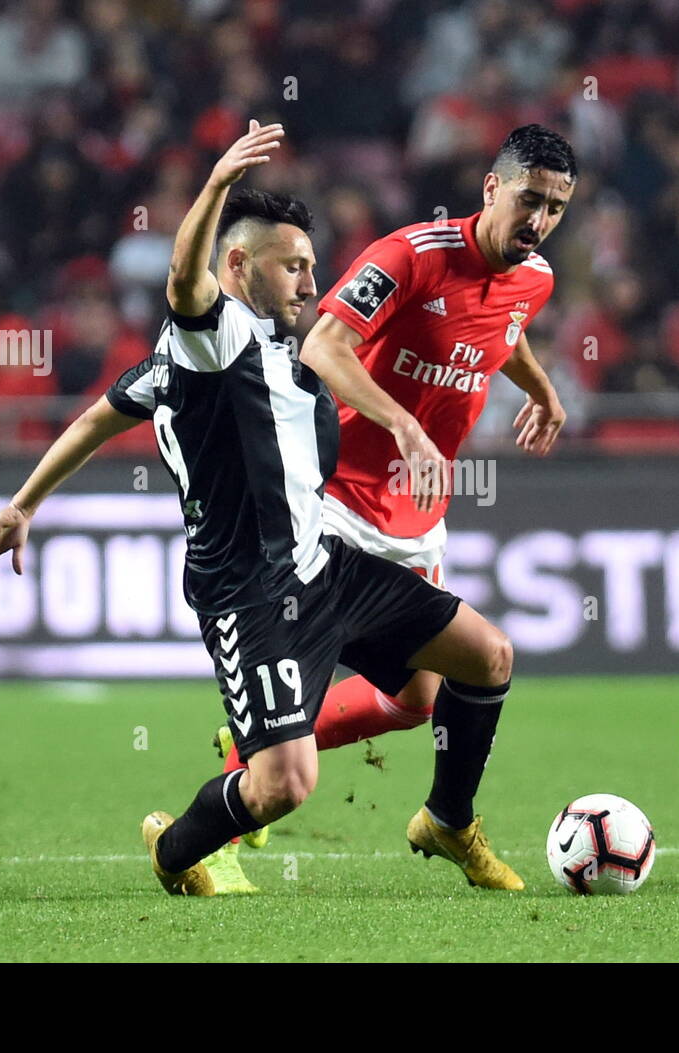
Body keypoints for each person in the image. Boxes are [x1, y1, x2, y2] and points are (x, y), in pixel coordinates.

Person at [0, 121, 524, 896]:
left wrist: (24, 503)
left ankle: (450, 819)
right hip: (251, 591)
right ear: (237, 264)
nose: (307, 281)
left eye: (311, 266)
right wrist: (217, 183)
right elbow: (184, 283)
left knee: (486, 656)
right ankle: (174, 851)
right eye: (292, 266)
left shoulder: (244, 351)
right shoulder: (211, 335)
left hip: (328, 565)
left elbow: (98, 415)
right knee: (283, 787)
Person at [211, 124, 576, 878]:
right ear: (490, 189)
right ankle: (218, 815)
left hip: (415, 520)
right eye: (529, 200)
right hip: (335, 502)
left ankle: (435, 817)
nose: (539, 222)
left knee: (416, 699)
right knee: (325, 714)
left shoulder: (534, 278)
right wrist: (403, 423)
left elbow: (499, 329)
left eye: (556, 208)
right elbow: (323, 346)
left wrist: (541, 385)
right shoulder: (410, 255)